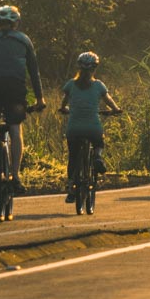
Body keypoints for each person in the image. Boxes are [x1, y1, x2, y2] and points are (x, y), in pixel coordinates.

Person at [0, 4, 45, 193]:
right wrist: (39, 98)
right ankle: (16, 177)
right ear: (17, 23)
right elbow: (34, 72)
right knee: (15, 128)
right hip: (15, 87)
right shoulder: (24, 40)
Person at [58, 51, 122, 203]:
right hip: (93, 127)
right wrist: (116, 110)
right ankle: (98, 157)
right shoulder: (99, 85)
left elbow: (63, 104)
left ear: (79, 68)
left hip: (74, 128)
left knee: (73, 157)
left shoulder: (71, 85)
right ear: (95, 69)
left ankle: (71, 187)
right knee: (99, 141)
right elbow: (109, 101)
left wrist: (64, 109)